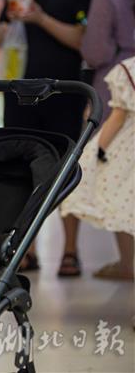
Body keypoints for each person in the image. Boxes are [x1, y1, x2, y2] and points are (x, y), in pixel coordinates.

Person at [0, 0, 95, 277]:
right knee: (21, 169)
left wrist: (40, 18)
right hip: (20, 91)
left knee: (66, 167)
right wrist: (4, 29)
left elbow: (84, 41)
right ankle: (26, 249)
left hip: (66, 92)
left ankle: (70, 250)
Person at [60, 57, 135, 282]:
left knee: (124, 208)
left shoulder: (128, 69)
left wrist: (99, 149)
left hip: (128, 149)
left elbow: (118, 117)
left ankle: (126, 264)